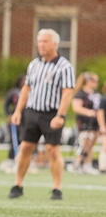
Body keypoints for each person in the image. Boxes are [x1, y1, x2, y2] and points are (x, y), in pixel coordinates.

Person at [8, 29, 76, 200]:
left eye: (45, 41)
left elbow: (67, 92)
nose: (41, 45)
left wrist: (60, 115)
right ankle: (18, 184)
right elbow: (26, 89)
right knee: (25, 148)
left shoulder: (64, 66)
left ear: (55, 44)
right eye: (39, 41)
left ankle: (57, 188)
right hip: (32, 111)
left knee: (53, 150)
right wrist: (18, 111)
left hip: (52, 113)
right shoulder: (34, 64)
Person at [70, 72, 101, 175]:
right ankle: (78, 164)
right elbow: (76, 107)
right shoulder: (80, 93)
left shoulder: (95, 93)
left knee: (91, 145)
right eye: (94, 81)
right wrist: (88, 112)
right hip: (85, 122)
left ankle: (86, 165)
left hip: (96, 122)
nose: (96, 83)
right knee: (85, 144)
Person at [3, 74, 26, 164]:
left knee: (27, 141)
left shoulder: (32, 91)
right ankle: (12, 159)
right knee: (14, 140)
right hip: (16, 120)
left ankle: (25, 160)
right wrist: (9, 115)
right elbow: (6, 105)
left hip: (27, 119)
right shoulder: (14, 92)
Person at [98, 81, 106, 173]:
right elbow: (100, 113)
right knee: (105, 147)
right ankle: (103, 167)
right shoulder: (104, 99)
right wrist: (102, 125)